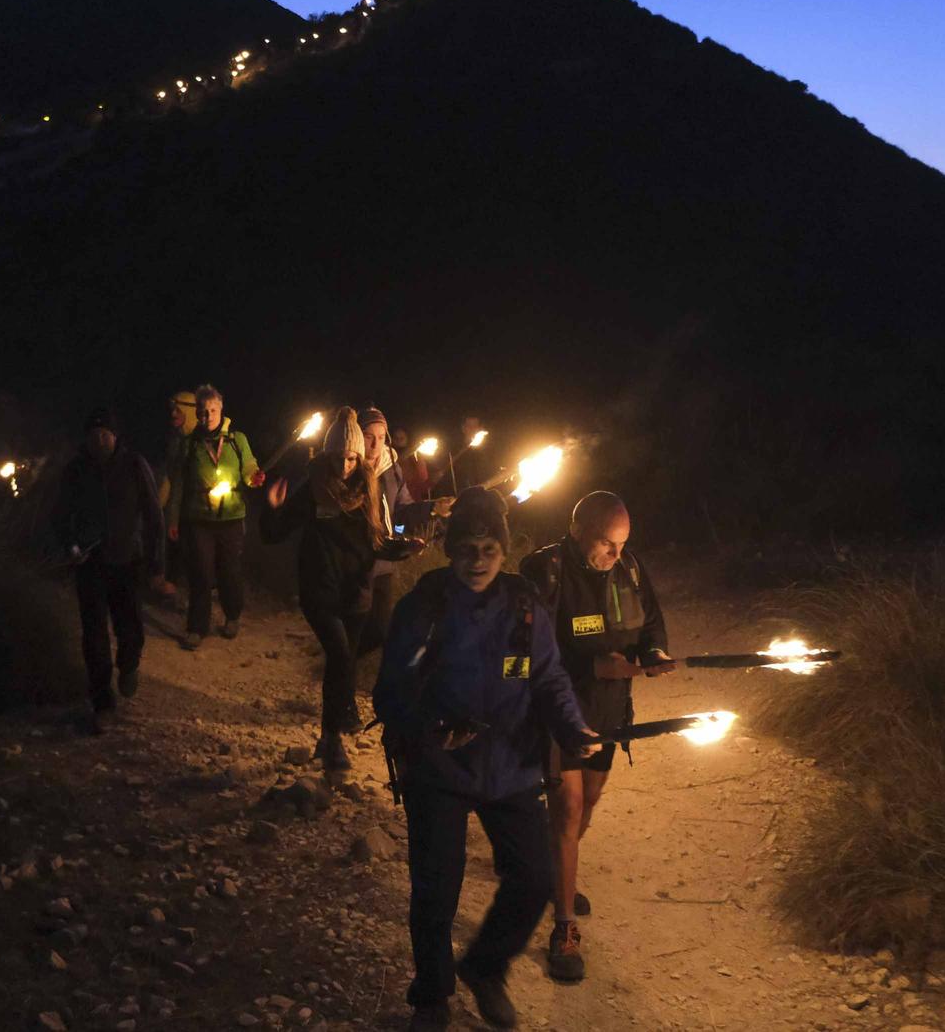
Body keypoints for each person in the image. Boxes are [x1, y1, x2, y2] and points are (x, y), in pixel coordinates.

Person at [373, 488, 601, 1029]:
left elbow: (548, 678)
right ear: (450, 550)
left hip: (511, 768)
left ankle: (485, 967)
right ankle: (432, 996)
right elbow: (390, 692)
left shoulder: (524, 607)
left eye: (489, 550)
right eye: (467, 549)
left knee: (536, 878)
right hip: (439, 771)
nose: (477, 561)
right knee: (436, 888)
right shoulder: (424, 608)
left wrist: (571, 727)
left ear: (503, 550)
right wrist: (430, 729)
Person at [518, 490, 674, 983]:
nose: (615, 553)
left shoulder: (629, 569)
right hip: (560, 715)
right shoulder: (545, 572)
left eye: (622, 544)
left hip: (609, 713)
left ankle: (556, 872)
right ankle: (564, 927)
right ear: (578, 529)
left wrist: (654, 654)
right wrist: (591, 665)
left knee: (589, 802)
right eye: (607, 543)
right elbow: (527, 652)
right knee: (567, 809)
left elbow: (651, 625)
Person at [262, 407, 420, 770]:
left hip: (356, 595)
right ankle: (331, 739)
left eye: (352, 458)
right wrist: (272, 508)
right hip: (320, 591)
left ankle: (329, 735)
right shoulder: (313, 489)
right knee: (338, 655)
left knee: (344, 661)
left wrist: (405, 548)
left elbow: (377, 542)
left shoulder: (368, 487)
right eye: (339, 457)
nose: (345, 465)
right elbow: (274, 534)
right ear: (328, 454)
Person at [51, 408, 164, 734]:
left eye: (105, 434)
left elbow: (153, 514)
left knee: (131, 628)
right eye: (94, 434)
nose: (100, 439)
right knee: (94, 635)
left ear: (115, 436)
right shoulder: (76, 470)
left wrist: (156, 562)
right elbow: (60, 514)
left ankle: (128, 665)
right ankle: (102, 703)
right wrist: (70, 546)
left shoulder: (134, 465)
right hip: (90, 562)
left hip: (127, 561)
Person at [163, 384, 262, 649]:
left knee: (229, 571)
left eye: (212, 411)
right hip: (199, 520)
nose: (207, 417)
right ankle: (197, 627)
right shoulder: (189, 444)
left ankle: (232, 616)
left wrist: (253, 477)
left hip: (231, 518)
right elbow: (179, 484)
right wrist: (173, 519)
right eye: (202, 412)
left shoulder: (237, 440)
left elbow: (249, 466)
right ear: (197, 412)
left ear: (221, 410)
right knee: (201, 573)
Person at [362, 407, 454, 649]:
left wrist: (433, 507)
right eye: (369, 437)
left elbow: (402, 510)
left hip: (383, 563)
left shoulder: (391, 468)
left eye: (380, 437)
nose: (375, 445)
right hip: (355, 564)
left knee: (377, 631)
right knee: (351, 630)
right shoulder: (348, 467)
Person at [153, 389, 199, 610]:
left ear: (189, 412)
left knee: (192, 549)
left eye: (177, 410)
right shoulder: (175, 439)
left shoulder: (200, 440)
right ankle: (170, 588)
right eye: (172, 410)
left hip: (196, 505)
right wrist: (159, 501)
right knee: (172, 544)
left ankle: (194, 594)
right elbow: (171, 474)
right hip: (176, 502)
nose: (172, 414)